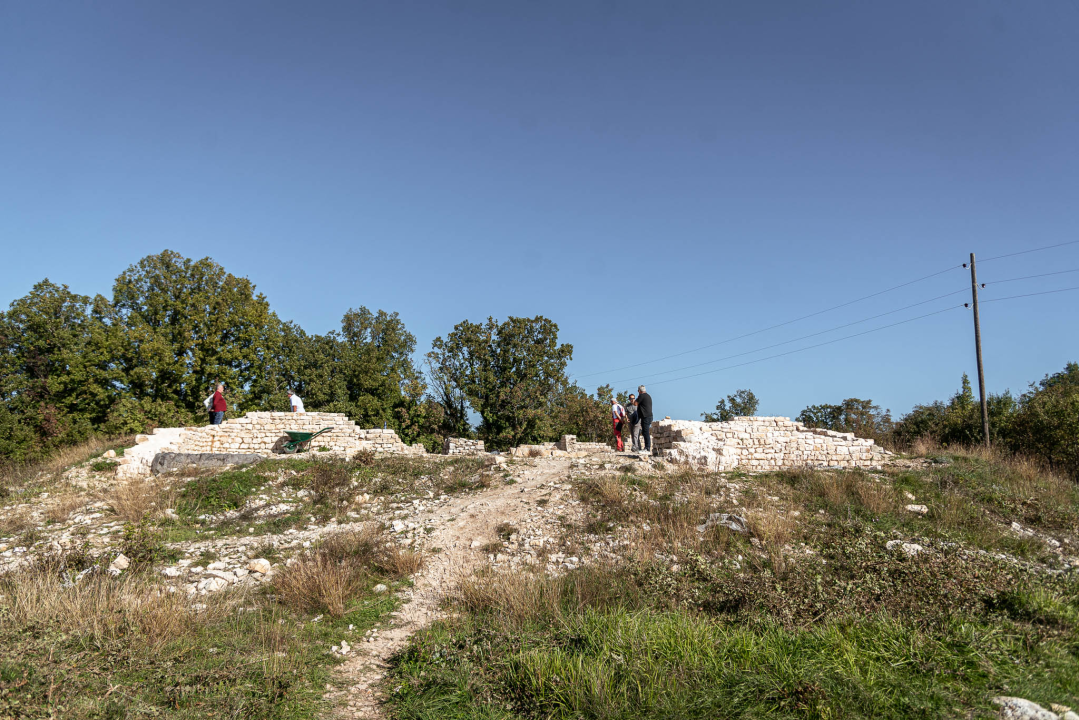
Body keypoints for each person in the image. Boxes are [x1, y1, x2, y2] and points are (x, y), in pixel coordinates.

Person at [636, 385, 653, 453]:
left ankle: (647, 448)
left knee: (646, 432)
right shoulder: (648, 395)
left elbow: (635, 403)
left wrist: (636, 398)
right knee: (645, 432)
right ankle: (647, 447)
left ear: (639, 391)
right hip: (648, 416)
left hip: (646, 417)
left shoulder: (641, 396)